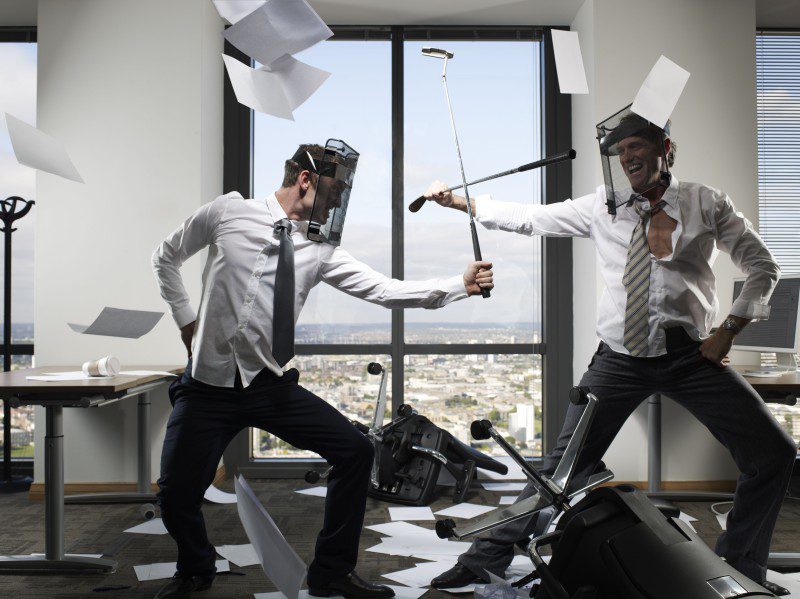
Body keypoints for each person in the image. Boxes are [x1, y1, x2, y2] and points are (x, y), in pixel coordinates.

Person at [423, 112, 795, 595]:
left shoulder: (707, 202)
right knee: (561, 470)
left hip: (689, 358)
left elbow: (763, 265)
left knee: (773, 454)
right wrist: (458, 202)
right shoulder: (602, 206)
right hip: (618, 359)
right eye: (619, 152)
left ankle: (742, 566)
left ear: (664, 147)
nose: (627, 158)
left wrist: (728, 330)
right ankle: (483, 558)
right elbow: (530, 218)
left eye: (635, 146)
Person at [150, 142, 494, 599]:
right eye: (335, 190)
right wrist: (186, 321)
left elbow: (385, 290)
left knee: (354, 452)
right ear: (306, 179)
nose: (338, 201)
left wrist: (458, 285)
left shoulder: (320, 250)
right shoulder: (227, 212)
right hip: (206, 387)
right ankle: (195, 567)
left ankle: (331, 572)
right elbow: (165, 257)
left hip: (268, 384)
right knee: (174, 494)